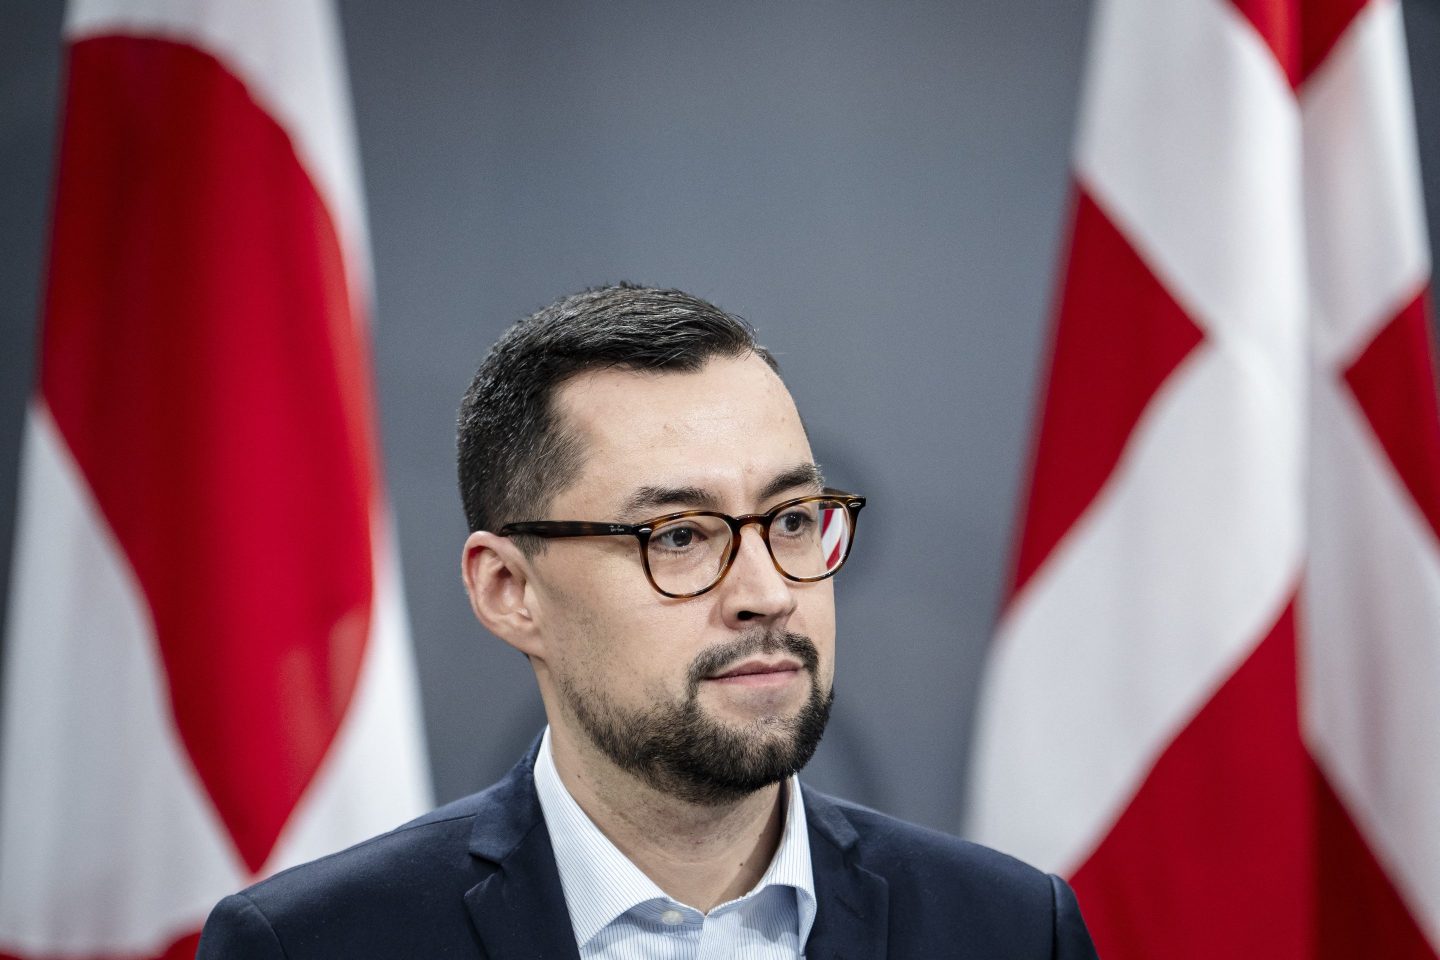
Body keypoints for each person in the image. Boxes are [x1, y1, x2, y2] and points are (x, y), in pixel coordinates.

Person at [197, 284, 1098, 958]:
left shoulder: (1013, 931)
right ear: (510, 590)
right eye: (678, 536)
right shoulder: (315, 947)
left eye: (790, 520)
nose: (767, 592)